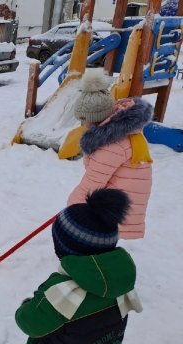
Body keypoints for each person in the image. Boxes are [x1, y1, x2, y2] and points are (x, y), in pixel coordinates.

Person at [15, 188, 142, 344]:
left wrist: (28, 305)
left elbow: (30, 322)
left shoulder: (65, 291)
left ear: (63, 248)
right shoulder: (118, 281)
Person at [69, 68, 154, 239]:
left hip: (118, 205)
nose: (82, 124)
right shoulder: (122, 131)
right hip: (122, 199)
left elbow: (93, 182)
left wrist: (71, 207)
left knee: (99, 238)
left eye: (84, 120)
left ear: (95, 119)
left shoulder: (111, 145)